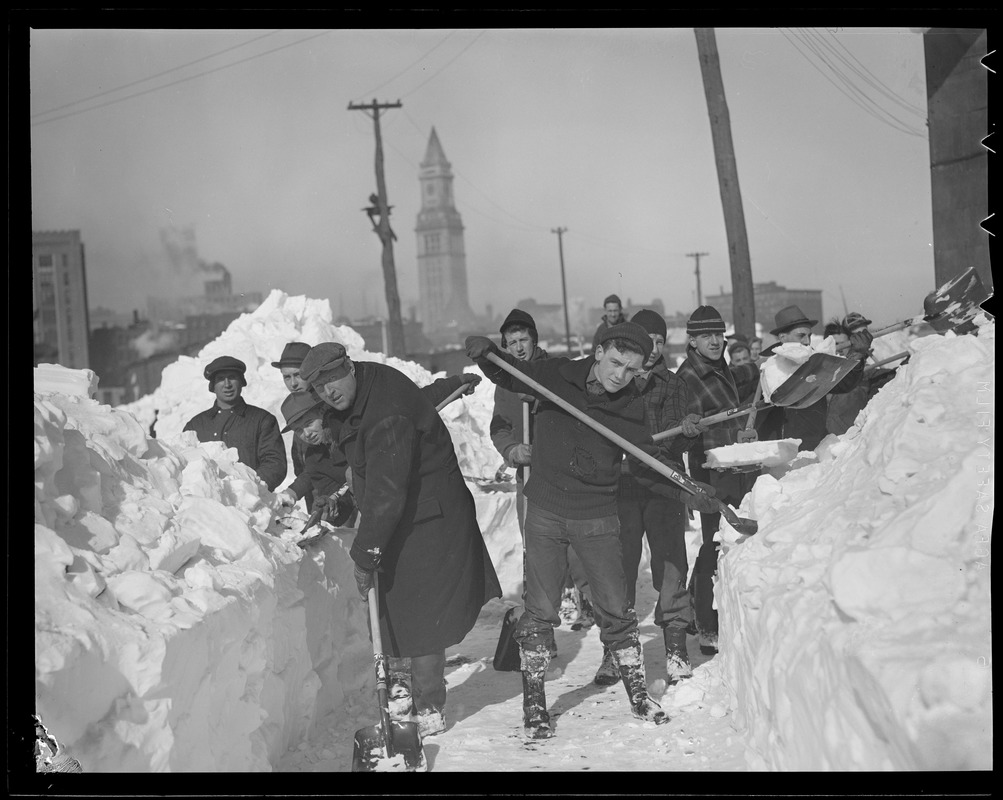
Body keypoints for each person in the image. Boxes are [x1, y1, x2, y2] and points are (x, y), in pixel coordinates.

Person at [466, 322, 716, 738]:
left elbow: (647, 460)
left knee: (616, 606)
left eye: (631, 369)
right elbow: (510, 373)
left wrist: (687, 489)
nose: (621, 375)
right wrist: (485, 353)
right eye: (616, 362)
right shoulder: (558, 376)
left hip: (597, 516)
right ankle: (534, 703)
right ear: (599, 353)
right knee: (540, 609)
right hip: (545, 510)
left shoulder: (630, 406)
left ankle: (638, 693)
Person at [298, 342, 501, 739]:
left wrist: (363, 554)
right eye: (319, 389)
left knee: (423, 614)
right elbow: (418, 403)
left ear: (349, 368)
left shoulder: (385, 413)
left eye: (332, 381)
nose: (329, 392)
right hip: (406, 510)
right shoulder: (371, 383)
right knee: (392, 598)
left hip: (428, 516)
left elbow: (388, 494)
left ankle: (428, 706)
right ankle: (402, 689)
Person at [490, 309, 595, 631]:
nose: (518, 348)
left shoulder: (557, 370)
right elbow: (500, 426)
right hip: (529, 476)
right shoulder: (505, 381)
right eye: (511, 343)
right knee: (536, 540)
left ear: (534, 340)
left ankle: (588, 599)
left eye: (523, 340)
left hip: (564, 472)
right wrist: (511, 449)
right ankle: (551, 600)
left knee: (575, 540)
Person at [609, 309, 696, 686]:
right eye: (649, 342)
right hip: (621, 489)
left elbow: (676, 430)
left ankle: (676, 648)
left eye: (661, 342)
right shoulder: (615, 384)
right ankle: (615, 652)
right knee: (618, 570)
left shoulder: (672, 384)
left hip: (663, 487)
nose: (655, 349)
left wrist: (685, 432)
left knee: (671, 564)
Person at [674, 306, 761, 656]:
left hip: (733, 462)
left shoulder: (719, 366)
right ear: (692, 341)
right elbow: (691, 430)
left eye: (719, 333)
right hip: (711, 467)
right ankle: (707, 624)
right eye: (706, 335)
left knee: (726, 537)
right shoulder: (687, 377)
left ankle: (701, 605)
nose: (715, 340)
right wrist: (733, 433)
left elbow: (744, 378)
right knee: (715, 538)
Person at [756, 305, 867, 452]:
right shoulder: (767, 366)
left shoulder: (815, 361)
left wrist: (857, 355)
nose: (807, 341)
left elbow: (845, 383)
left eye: (809, 335)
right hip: (779, 449)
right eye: (801, 335)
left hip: (812, 445)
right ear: (783, 337)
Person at [183, 355, 287, 491]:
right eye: (220, 379)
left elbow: (275, 465)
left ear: (242, 382)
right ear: (212, 386)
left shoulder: (262, 420)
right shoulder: (195, 426)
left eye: (232, 377)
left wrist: (247, 489)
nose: (227, 384)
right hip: (207, 506)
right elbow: (184, 467)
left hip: (252, 505)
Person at [274, 390, 355, 524]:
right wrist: (332, 509)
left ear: (322, 413)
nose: (307, 433)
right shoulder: (314, 458)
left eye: (309, 423)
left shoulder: (351, 432)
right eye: (299, 430)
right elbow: (336, 495)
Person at [271, 341, 316, 508]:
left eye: (298, 375)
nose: (293, 384)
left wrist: (294, 491)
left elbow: (325, 462)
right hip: (314, 498)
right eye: (286, 377)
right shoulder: (296, 406)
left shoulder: (326, 406)